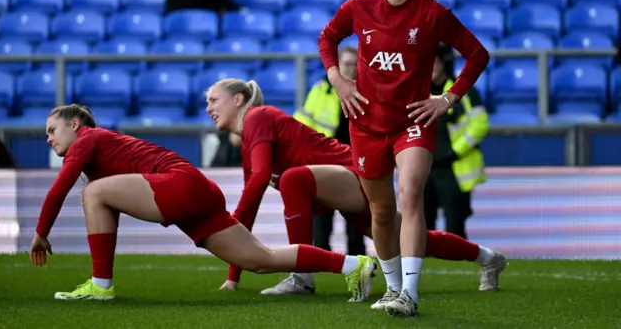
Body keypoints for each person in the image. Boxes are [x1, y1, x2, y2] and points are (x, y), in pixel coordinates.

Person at [317, 0, 490, 317]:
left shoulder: (433, 13)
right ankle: (394, 289)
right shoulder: (358, 7)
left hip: (412, 122)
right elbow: (327, 38)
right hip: (366, 123)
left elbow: (477, 54)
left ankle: (410, 294)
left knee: (410, 195)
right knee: (379, 212)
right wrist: (338, 80)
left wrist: (446, 99)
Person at [29, 104, 377, 301]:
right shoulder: (98, 150)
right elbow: (106, 207)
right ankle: (354, 266)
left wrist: (42, 232)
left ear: (75, 124)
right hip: (196, 189)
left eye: (52, 130)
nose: (48, 139)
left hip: (179, 184)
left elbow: (61, 188)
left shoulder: (88, 138)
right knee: (261, 259)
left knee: (92, 192)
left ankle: (101, 286)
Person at [206, 79, 506, 302]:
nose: (208, 109)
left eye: (213, 100)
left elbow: (257, 184)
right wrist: (234, 276)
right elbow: (250, 202)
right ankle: (488, 257)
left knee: (292, 179)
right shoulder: (248, 144)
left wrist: (226, 231)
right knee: (410, 239)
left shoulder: (258, 116)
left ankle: (301, 277)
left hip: (354, 171)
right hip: (343, 181)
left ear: (238, 99)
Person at [293, 45, 366, 257]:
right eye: (346, 64)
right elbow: (303, 125)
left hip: (355, 162)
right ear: (337, 66)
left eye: (354, 64)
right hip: (323, 161)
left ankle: (357, 259)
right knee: (322, 216)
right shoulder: (320, 89)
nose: (351, 69)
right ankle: (322, 258)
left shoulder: (367, 91)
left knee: (356, 215)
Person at [425, 44, 489, 239]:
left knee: (455, 225)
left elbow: (479, 124)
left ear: (444, 63)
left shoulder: (462, 90)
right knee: (422, 226)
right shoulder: (416, 92)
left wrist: (454, 152)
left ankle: (459, 264)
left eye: (433, 62)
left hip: (454, 168)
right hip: (424, 168)